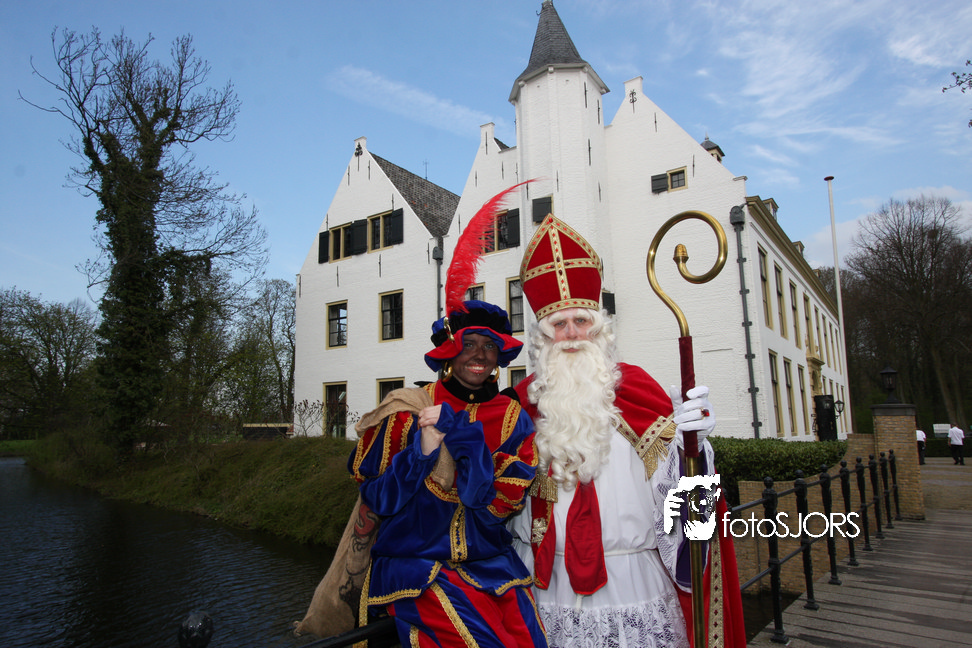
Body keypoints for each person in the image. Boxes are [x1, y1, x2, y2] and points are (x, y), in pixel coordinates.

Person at [509, 215, 746, 648]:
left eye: (581, 321)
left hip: (634, 584)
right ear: (542, 338)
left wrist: (693, 450)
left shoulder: (640, 392)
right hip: (543, 588)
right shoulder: (518, 409)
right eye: (558, 325)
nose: (571, 335)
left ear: (600, 328)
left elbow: (686, 508)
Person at [348, 300, 548, 648]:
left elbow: (492, 509)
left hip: (492, 564)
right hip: (414, 565)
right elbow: (378, 499)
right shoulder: (409, 408)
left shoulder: (513, 418)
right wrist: (421, 453)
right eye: (468, 344)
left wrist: (464, 438)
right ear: (450, 352)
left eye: (490, 346)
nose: (480, 354)